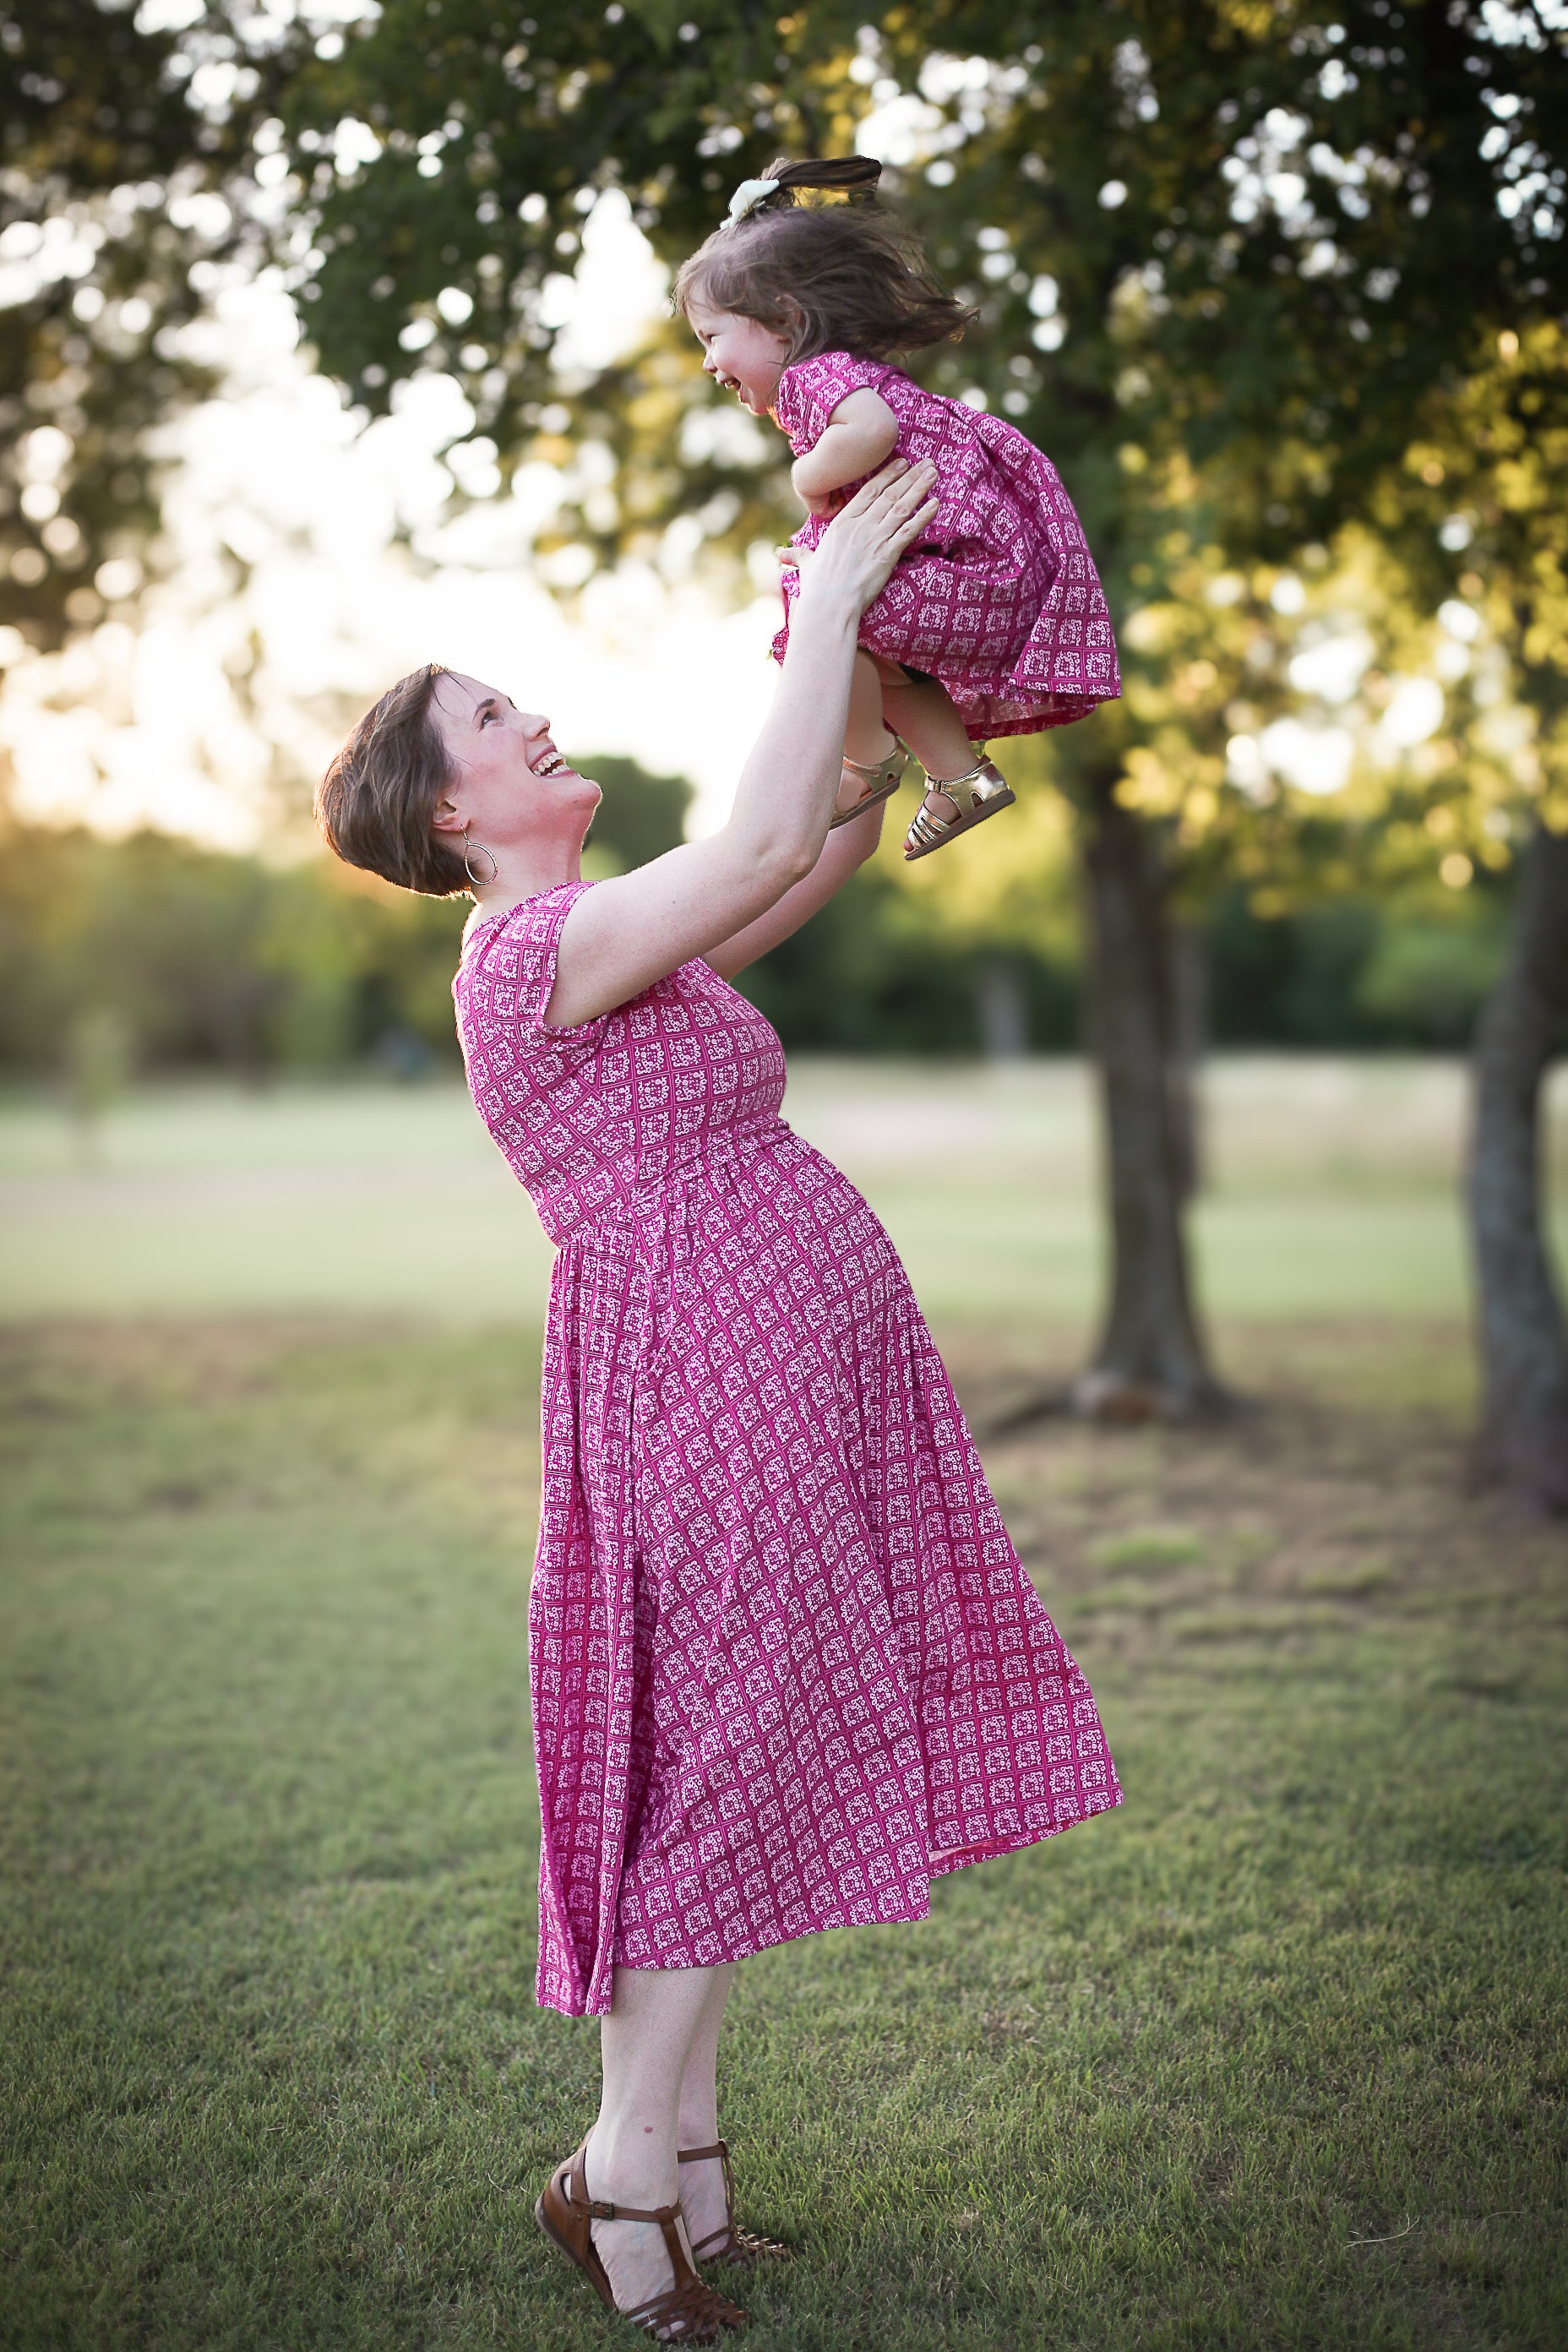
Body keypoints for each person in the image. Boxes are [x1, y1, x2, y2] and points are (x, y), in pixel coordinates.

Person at [315, 462, 1122, 2344]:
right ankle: (616, 2176)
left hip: (767, 1359)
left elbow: (792, 853)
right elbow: (752, 853)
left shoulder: (622, 938)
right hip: (694, 1373)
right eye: (496, 718)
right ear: (456, 806)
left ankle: (677, 2169)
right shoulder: (526, 956)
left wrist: (865, 716)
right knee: (719, 1760)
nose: (535, 716)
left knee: (731, 1755)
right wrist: (827, 592)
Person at [674, 155, 1121, 864]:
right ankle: (960, 776)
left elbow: (872, 431)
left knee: (814, 594)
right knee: (872, 651)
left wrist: (806, 476)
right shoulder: (850, 373)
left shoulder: (814, 378)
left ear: (783, 321)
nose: (706, 363)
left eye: (711, 336)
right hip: (988, 578)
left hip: (979, 578)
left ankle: (868, 763)